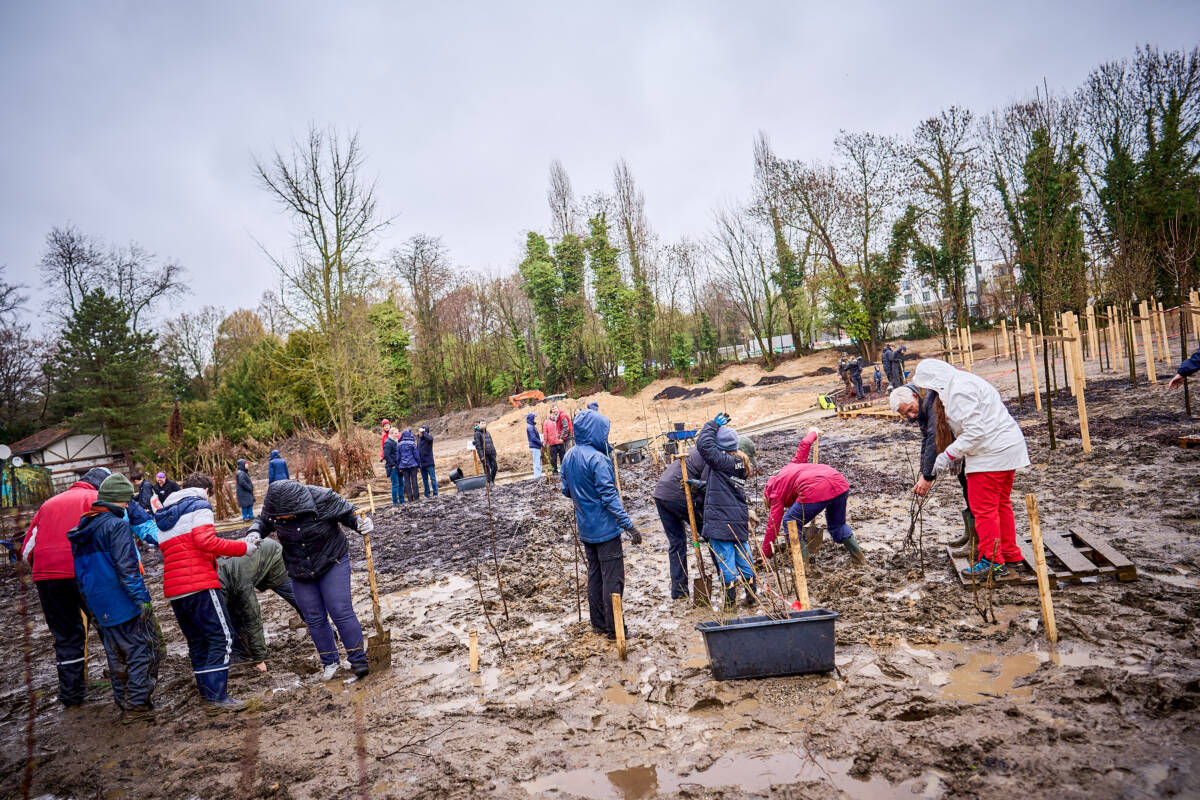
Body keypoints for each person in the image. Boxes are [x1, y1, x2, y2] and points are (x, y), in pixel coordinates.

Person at [909, 358, 1030, 579]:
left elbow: (975, 433)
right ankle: (1010, 554)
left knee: (983, 510)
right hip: (1006, 448)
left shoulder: (957, 392)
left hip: (990, 455)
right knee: (1001, 505)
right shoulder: (964, 381)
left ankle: (992, 561)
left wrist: (949, 455)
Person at [249, 480, 371, 680]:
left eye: (282, 516)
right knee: (313, 617)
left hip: (332, 560)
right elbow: (262, 522)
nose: (278, 519)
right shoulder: (275, 509)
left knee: (340, 610)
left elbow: (350, 513)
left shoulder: (323, 498)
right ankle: (330, 663)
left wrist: (360, 524)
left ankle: (358, 661)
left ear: (294, 506)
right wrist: (254, 533)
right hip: (299, 568)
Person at [154, 472, 256, 713]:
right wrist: (244, 548)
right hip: (199, 584)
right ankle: (218, 696)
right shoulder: (200, 505)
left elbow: (182, 547)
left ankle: (207, 694)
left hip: (175, 587)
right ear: (206, 490)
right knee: (223, 637)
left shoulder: (166, 513)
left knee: (198, 643)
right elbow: (205, 541)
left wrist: (214, 555)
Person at [67, 473, 159, 719]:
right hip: (120, 599)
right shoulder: (116, 525)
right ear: (115, 500)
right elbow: (127, 568)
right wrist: (143, 600)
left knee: (116, 653)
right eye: (125, 501)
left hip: (96, 600)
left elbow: (81, 573)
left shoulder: (83, 527)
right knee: (140, 650)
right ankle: (138, 704)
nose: (128, 506)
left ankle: (123, 700)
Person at [20, 466, 110, 707]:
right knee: (109, 627)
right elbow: (112, 538)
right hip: (86, 572)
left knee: (66, 636)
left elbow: (27, 549)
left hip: (47, 577)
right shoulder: (96, 499)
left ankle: (72, 695)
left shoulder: (48, 504)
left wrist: (45, 569)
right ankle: (123, 686)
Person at [561, 409, 642, 639]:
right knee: (613, 580)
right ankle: (615, 630)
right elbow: (609, 497)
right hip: (605, 531)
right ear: (594, 432)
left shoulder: (569, 456)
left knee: (595, 576)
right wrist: (629, 526)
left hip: (586, 528)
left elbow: (566, 489)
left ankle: (597, 623)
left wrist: (584, 498)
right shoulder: (598, 459)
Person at [761, 429, 865, 567]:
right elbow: (804, 444)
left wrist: (765, 554)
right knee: (838, 524)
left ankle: (803, 568)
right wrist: (814, 433)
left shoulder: (775, 494)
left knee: (790, 521)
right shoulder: (793, 465)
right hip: (839, 482)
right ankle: (861, 560)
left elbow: (772, 526)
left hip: (815, 489)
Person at [890, 382, 974, 551]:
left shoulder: (931, 401)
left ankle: (977, 540)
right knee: (966, 488)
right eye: (906, 415)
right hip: (957, 448)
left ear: (914, 397)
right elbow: (926, 440)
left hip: (967, 446)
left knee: (972, 490)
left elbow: (934, 439)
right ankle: (971, 534)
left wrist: (928, 476)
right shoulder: (921, 405)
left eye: (910, 410)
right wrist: (923, 472)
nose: (911, 416)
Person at [694, 414, 755, 609]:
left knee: (726, 562)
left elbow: (704, 445)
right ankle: (752, 597)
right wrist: (698, 485)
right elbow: (723, 488)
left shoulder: (722, 462)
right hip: (737, 520)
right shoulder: (740, 463)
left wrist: (712, 425)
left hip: (721, 522)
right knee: (743, 558)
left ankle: (729, 606)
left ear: (721, 448)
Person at [218, 537, 300, 672]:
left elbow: (253, 618)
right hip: (242, 568)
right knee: (234, 614)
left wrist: (259, 659)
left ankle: (321, 628)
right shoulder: (215, 585)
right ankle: (241, 653)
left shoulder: (239, 583)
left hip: (271, 555)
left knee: (295, 597)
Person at [652, 448, 706, 600]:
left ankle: (679, 591)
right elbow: (709, 488)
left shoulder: (699, 451)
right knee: (711, 534)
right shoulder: (712, 456)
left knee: (677, 543)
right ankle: (725, 579)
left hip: (661, 494)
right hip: (677, 495)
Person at [397, 428, 420, 502]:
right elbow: (416, 455)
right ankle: (416, 497)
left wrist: (399, 466)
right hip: (413, 465)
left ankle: (410, 498)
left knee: (407, 482)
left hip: (403, 466)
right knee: (414, 481)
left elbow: (398, 457)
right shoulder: (412, 443)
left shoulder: (399, 445)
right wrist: (418, 465)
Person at [417, 426, 438, 497]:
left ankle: (435, 493)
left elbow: (430, 438)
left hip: (429, 462)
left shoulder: (429, 438)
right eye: (419, 432)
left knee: (433, 478)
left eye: (421, 432)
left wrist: (424, 432)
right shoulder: (419, 439)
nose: (419, 433)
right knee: (425, 480)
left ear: (425, 432)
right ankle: (427, 494)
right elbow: (417, 450)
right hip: (422, 463)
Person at [544, 407, 566, 474]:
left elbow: (563, 429)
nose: (553, 415)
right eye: (552, 414)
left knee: (562, 456)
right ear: (550, 414)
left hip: (560, 441)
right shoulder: (546, 422)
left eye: (554, 414)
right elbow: (545, 432)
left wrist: (563, 438)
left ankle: (563, 470)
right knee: (553, 458)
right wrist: (545, 441)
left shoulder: (559, 420)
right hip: (552, 443)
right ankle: (554, 471)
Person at [383, 428, 401, 506]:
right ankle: (395, 502)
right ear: (391, 434)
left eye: (397, 433)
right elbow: (386, 455)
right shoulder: (388, 443)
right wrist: (392, 465)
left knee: (401, 483)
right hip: (392, 467)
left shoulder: (396, 441)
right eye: (395, 433)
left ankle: (402, 500)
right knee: (395, 484)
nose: (397, 435)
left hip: (398, 465)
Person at [526, 413, 544, 479]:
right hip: (535, 446)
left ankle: (538, 476)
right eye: (534, 417)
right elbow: (533, 438)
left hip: (535, 446)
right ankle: (537, 477)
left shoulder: (531, 426)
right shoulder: (530, 427)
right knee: (537, 462)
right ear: (531, 419)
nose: (535, 419)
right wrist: (541, 443)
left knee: (537, 461)